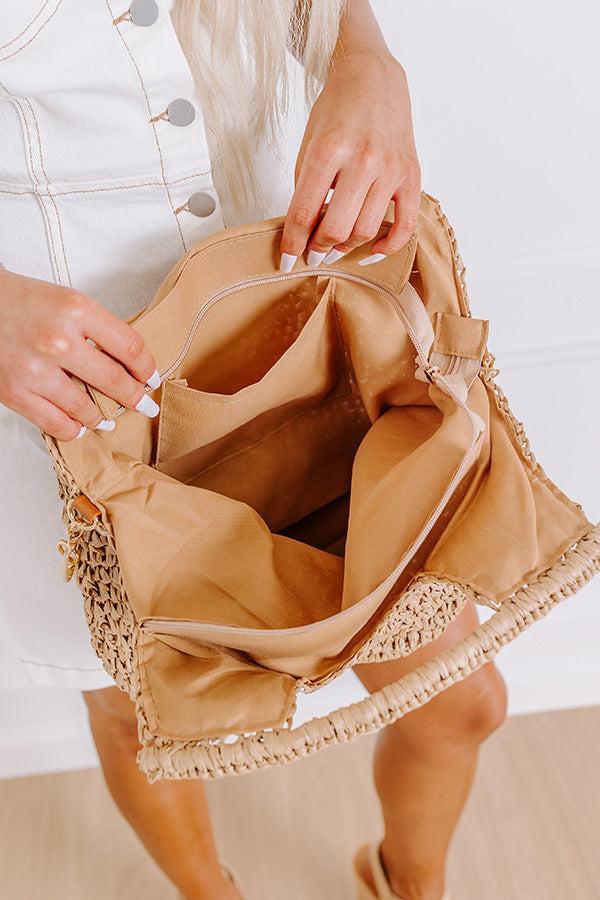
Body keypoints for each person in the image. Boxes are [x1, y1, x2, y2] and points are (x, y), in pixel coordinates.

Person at [0, 1, 507, 898]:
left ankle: (407, 884)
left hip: (301, 334)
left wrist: (365, 55)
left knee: (461, 702)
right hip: (78, 388)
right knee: (140, 723)